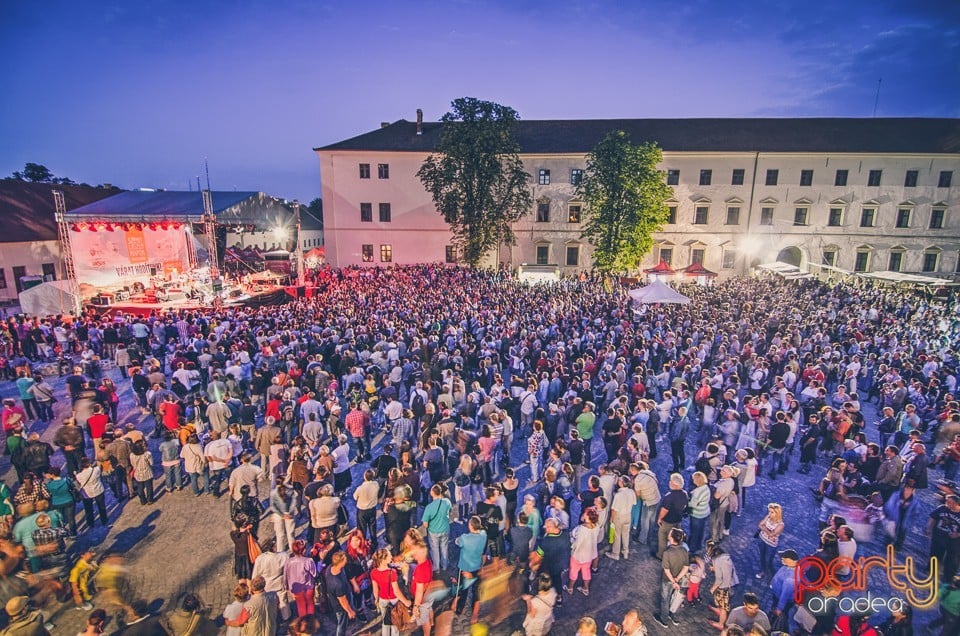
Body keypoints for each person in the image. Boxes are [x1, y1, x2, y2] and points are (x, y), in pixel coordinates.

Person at [653, 526, 689, 628]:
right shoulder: (684, 550)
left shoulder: (667, 553)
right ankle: (674, 616)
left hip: (667, 580)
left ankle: (664, 619)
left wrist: (673, 581)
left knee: (665, 598)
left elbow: (666, 570)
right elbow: (686, 567)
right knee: (677, 598)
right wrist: (677, 579)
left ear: (672, 538)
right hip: (680, 579)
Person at [371, 548, 410, 636]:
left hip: (382, 600)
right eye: (389, 555)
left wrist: (376, 600)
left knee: (385, 623)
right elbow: (396, 591)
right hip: (394, 601)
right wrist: (406, 602)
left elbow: (375, 589)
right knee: (395, 624)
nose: (391, 556)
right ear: (384, 560)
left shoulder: (373, 572)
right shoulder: (392, 573)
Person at [420, 483, 452, 573]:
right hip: (445, 529)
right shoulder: (447, 502)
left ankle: (436, 568)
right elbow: (449, 512)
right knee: (444, 547)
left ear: (432, 493)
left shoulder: (429, 507)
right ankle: (445, 565)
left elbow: (425, 524)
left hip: (433, 531)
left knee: (435, 549)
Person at [283, 540, 317, 620]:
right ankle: (310, 621)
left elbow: (285, 575)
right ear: (303, 550)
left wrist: (285, 586)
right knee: (310, 603)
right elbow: (314, 574)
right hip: (308, 586)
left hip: (296, 587)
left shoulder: (288, 561)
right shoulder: (308, 561)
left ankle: (303, 622)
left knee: (300, 604)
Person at [325, 551, 356, 636]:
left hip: (336, 600)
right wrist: (350, 611)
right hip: (340, 608)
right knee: (341, 624)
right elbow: (343, 600)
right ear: (341, 562)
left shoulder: (329, 568)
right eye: (345, 559)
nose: (346, 560)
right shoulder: (337, 584)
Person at [521, 572, 557, 636]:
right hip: (547, 619)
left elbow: (531, 614)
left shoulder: (535, 602)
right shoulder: (553, 592)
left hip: (537, 624)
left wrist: (528, 600)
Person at [756, 502, 785, 580]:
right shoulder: (768, 517)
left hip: (771, 544)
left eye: (771, 512)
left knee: (769, 561)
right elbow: (760, 524)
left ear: (777, 513)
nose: (769, 513)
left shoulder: (780, 524)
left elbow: (772, 534)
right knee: (762, 557)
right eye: (769, 511)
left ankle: (774, 577)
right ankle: (763, 571)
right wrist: (766, 527)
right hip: (762, 539)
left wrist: (764, 528)